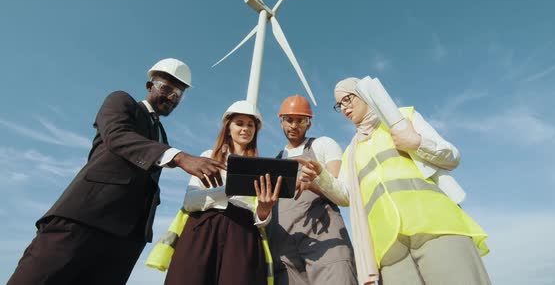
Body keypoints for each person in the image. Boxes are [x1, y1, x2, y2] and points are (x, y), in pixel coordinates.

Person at [8, 58, 227, 285]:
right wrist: (179, 157)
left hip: (126, 241)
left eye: (178, 93)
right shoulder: (121, 102)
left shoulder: (161, 133)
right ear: (149, 85)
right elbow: (117, 136)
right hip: (84, 221)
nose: (172, 97)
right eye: (166, 88)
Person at [310, 77, 491, 284]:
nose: (344, 108)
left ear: (362, 93)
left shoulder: (403, 117)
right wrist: (320, 175)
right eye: (339, 105)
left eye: (348, 99)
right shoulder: (351, 151)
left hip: (436, 227)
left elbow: (451, 156)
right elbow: (345, 196)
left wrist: (417, 143)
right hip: (389, 247)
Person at [162, 100, 282, 285]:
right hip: (203, 229)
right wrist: (229, 189)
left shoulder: (260, 167)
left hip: (242, 233)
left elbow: (260, 218)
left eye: (250, 125)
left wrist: (265, 209)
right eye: (239, 123)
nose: (245, 129)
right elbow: (190, 202)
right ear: (228, 128)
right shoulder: (208, 156)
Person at [269, 95, 357, 285]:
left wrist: (313, 183)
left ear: (309, 123)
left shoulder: (322, 145)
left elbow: (340, 190)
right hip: (284, 250)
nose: (294, 125)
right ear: (281, 121)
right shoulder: (275, 161)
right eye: (289, 120)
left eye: (300, 120)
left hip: (324, 241)